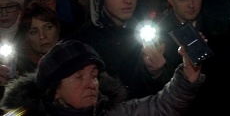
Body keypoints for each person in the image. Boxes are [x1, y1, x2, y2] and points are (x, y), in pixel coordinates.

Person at [0, 39, 205, 115]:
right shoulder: (19, 115)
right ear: (55, 90)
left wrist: (188, 73)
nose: (91, 84)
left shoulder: (112, 112)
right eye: (79, 77)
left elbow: (160, 106)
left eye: (94, 75)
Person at [66, 0, 167, 99]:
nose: (128, 0)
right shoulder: (79, 44)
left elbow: (160, 98)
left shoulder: (147, 34)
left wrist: (156, 73)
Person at [14, 5, 61, 76]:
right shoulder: (18, 68)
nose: (42, 36)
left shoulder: (73, 58)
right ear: (26, 37)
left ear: (58, 28)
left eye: (48, 27)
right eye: (34, 32)